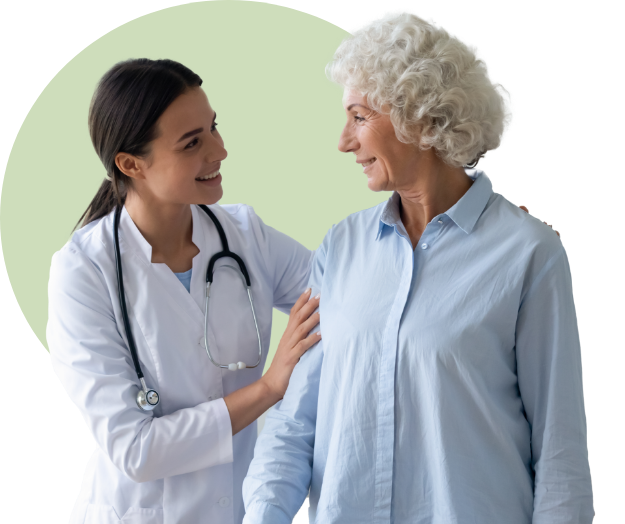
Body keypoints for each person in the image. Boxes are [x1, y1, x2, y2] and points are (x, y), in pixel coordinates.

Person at [241, 8, 592, 524]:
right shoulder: (342, 247)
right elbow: (296, 423)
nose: (344, 141)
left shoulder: (528, 254)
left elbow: (559, 449)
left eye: (360, 117)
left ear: (421, 117)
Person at [46, 59, 322, 524]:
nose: (221, 150)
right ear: (132, 164)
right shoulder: (83, 272)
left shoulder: (244, 234)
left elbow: (339, 299)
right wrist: (270, 387)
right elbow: (137, 449)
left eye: (213, 128)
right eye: (193, 142)